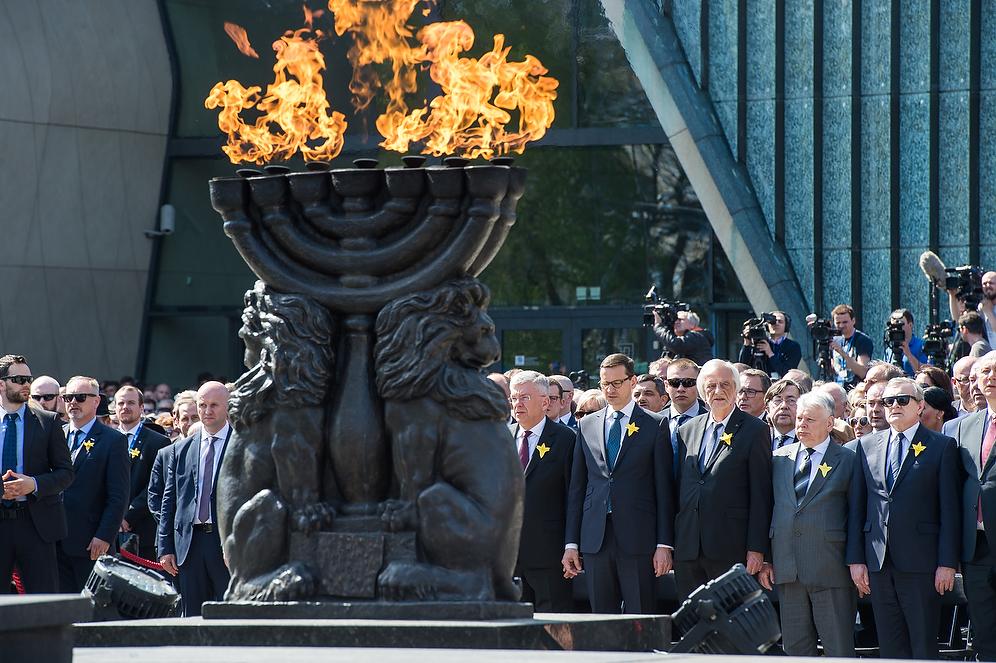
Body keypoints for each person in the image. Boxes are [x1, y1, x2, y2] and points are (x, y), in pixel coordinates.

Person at [853, 377, 960, 660]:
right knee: (890, 645)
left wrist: (947, 563)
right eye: (888, 401)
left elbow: (950, 510)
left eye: (902, 400)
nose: (894, 406)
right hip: (878, 561)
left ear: (920, 406)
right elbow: (858, 507)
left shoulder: (941, 446)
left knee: (923, 644)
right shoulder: (866, 445)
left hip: (922, 563)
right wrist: (856, 559)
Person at [562, 354, 673, 614]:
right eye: (604, 384)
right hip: (596, 538)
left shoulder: (655, 424)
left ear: (632, 382)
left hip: (638, 538)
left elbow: (664, 489)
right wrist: (571, 544)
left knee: (640, 617)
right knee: (601, 621)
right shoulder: (587, 424)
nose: (610, 390)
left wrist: (664, 544)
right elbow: (578, 488)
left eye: (616, 383)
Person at [758, 392, 865, 657]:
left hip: (831, 567)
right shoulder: (778, 458)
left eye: (810, 420)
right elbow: (768, 510)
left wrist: (856, 560)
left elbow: (857, 515)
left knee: (838, 647)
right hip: (788, 567)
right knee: (795, 648)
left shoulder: (848, 460)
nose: (802, 425)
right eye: (800, 419)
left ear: (829, 423)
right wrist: (768, 559)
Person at [672, 360, 773, 600]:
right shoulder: (687, 430)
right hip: (689, 548)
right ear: (702, 391)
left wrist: (757, 548)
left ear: (736, 389)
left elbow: (761, 495)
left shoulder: (755, 430)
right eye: (711, 385)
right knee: (693, 618)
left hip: (731, 547)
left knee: (731, 617)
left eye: (725, 384)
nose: (718, 391)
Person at [158, 381, 233, 616]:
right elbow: (169, 500)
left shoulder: (241, 444)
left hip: (226, 545)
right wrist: (165, 547)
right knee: (192, 616)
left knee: (230, 613)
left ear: (228, 407)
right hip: (189, 545)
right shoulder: (181, 449)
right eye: (202, 405)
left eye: (214, 405)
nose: (207, 411)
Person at [0, 355, 74, 593]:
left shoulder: (47, 422)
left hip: (35, 524)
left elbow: (66, 473)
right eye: (19, 379)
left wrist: (34, 484)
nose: (26, 385)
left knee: (44, 601)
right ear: (1, 384)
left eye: (28, 379)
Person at [509, 371, 576, 612]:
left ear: (545, 402)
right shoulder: (502, 437)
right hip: (509, 558)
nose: (517, 404)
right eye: (513, 398)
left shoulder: (566, 439)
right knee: (515, 626)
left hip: (549, 554)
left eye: (525, 397)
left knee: (553, 624)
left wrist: (571, 545)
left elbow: (573, 497)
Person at [57, 375, 130, 592]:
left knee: (91, 606)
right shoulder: (56, 435)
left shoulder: (113, 440)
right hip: (54, 539)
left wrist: (105, 535)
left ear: (96, 401)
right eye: (68, 397)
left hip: (91, 541)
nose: (73, 402)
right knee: (58, 605)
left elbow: (118, 496)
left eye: (80, 397)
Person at [950, 352, 996, 661]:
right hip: (976, 546)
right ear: (975, 381)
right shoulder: (962, 427)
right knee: (984, 631)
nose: (991, 377)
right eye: (985, 371)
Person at [115, 385, 170, 561]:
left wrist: (128, 517)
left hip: (142, 530)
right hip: (107, 529)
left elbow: (155, 485)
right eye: (121, 403)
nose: (125, 407)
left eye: (131, 403)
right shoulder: (104, 439)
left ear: (141, 408)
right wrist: (112, 517)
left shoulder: (158, 442)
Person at [662, 359, 707, 466]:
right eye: (674, 383)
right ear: (666, 386)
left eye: (688, 383)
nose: (681, 389)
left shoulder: (711, 422)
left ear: (699, 384)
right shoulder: (654, 422)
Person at [737, 311, 802, 380]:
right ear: (767, 325)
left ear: (786, 326)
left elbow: (787, 372)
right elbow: (743, 368)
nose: (776, 324)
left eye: (780, 321)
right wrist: (747, 343)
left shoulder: (793, 346)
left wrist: (770, 354)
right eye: (773, 321)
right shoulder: (760, 343)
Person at [828, 304, 874, 388]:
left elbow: (863, 372)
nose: (841, 326)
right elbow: (833, 368)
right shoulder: (834, 340)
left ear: (853, 321)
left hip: (855, 388)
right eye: (838, 323)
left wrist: (842, 353)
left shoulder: (863, 340)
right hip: (838, 386)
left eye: (845, 322)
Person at [881, 309, 927, 376]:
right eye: (893, 326)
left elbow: (926, 373)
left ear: (910, 325)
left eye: (900, 325)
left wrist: (909, 354)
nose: (896, 329)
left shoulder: (922, 346)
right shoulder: (889, 349)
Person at [766, 379, 801, 451]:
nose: (784, 406)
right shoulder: (757, 437)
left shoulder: (809, 439)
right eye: (778, 400)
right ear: (767, 408)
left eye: (791, 400)